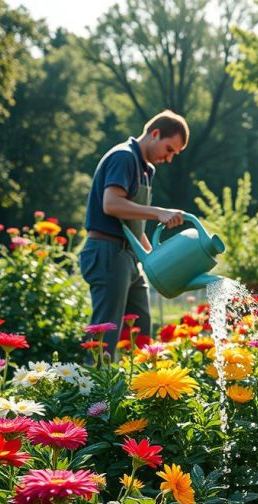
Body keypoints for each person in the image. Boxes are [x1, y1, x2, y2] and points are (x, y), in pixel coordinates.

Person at [79, 110, 190, 351]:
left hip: (128, 255)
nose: (169, 158)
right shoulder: (124, 157)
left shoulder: (146, 170)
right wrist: (159, 212)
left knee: (140, 328)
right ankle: (90, 386)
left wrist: (156, 257)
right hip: (107, 252)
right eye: (169, 149)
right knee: (104, 334)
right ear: (155, 133)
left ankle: (139, 386)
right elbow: (112, 205)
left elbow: (133, 222)